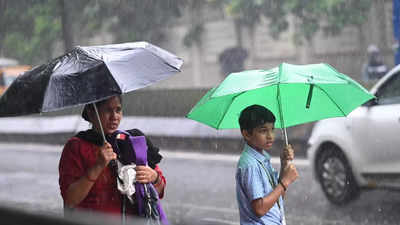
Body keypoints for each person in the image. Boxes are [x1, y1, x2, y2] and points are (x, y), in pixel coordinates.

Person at [58, 95, 166, 220]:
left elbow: (160, 190)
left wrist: (154, 177)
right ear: (91, 112)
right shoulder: (76, 147)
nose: (114, 117)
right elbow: (70, 200)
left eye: (118, 110)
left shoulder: (130, 141)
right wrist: (98, 166)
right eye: (108, 110)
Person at [235, 105, 298, 225]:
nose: (270, 136)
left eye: (272, 129)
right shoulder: (250, 165)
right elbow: (260, 209)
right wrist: (285, 182)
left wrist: (284, 164)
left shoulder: (262, 158)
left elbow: (277, 198)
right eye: (263, 130)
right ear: (247, 134)